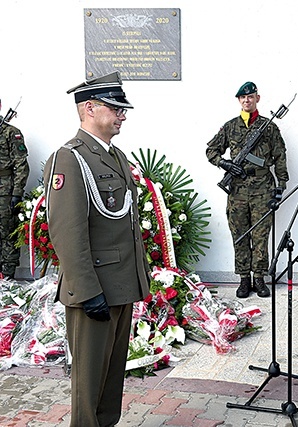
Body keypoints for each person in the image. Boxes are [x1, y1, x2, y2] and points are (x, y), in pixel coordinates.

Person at [43, 71, 150, 427]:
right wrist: (88, 292)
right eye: (115, 107)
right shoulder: (69, 159)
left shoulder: (114, 155)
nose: (123, 115)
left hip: (119, 286)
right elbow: (67, 232)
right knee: (88, 388)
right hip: (95, 289)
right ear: (89, 108)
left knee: (110, 383)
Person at [206, 82, 288, 299]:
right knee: (240, 234)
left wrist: (281, 185)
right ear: (239, 101)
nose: (246, 101)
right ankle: (244, 278)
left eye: (250, 97)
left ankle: (259, 277)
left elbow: (280, 156)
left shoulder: (269, 127)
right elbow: (211, 150)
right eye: (243, 98)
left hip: (263, 189)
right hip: (238, 190)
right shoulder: (230, 126)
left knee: (261, 236)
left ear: (257, 98)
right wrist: (225, 164)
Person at [0, 98, 29, 280]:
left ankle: (7, 280)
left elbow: (21, 165)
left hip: (5, 191)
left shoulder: (11, 132)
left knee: (7, 234)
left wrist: (17, 193)